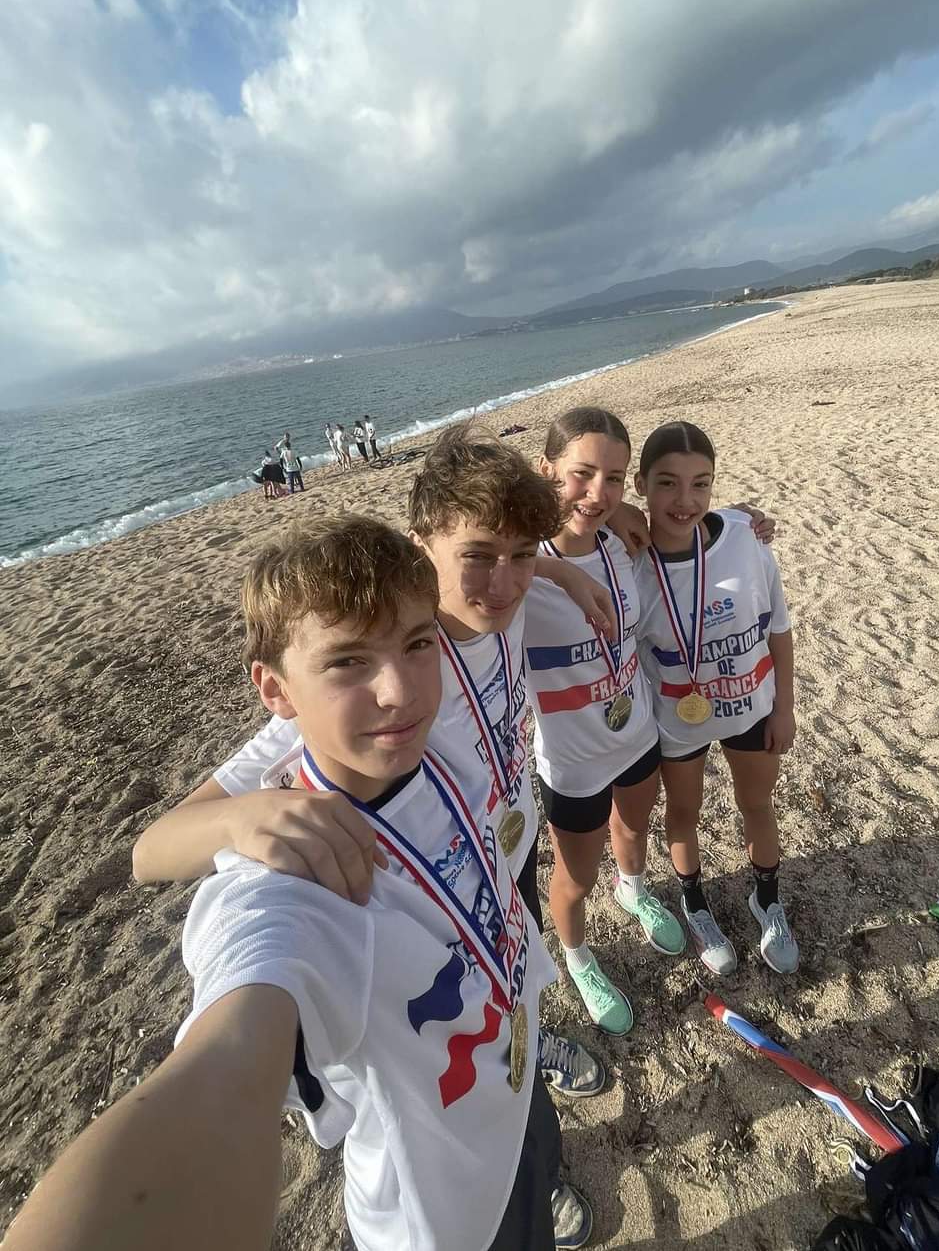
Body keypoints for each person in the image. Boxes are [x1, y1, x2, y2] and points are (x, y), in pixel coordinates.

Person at [9, 515, 583, 1251]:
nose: (398, 691)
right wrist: (234, 818)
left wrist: (563, 565)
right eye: (348, 662)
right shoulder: (292, 886)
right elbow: (226, 1059)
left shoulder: (426, 731)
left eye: (418, 644)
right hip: (448, 1216)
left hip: (513, 1081)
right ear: (277, 691)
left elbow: (487, 591)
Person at [523, 408, 683, 1037]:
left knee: (634, 829)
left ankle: (635, 889)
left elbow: (689, 525)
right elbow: (448, 566)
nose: (598, 493)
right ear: (545, 471)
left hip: (637, 732)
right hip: (573, 761)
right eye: (581, 474)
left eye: (614, 479)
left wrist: (746, 520)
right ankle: (579, 956)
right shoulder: (519, 573)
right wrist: (554, 567)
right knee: (575, 877)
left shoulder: (622, 546)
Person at [633, 420, 799, 975]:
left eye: (700, 484)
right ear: (640, 485)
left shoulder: (746, 537)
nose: (685, 501)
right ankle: (696, 904)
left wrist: (784, 708)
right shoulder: (629, 566)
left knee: (758, 804)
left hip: (753, 709)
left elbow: (778, 631)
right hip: (678, 722)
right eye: (667, 483)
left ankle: (766, 900)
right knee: (684, 813)